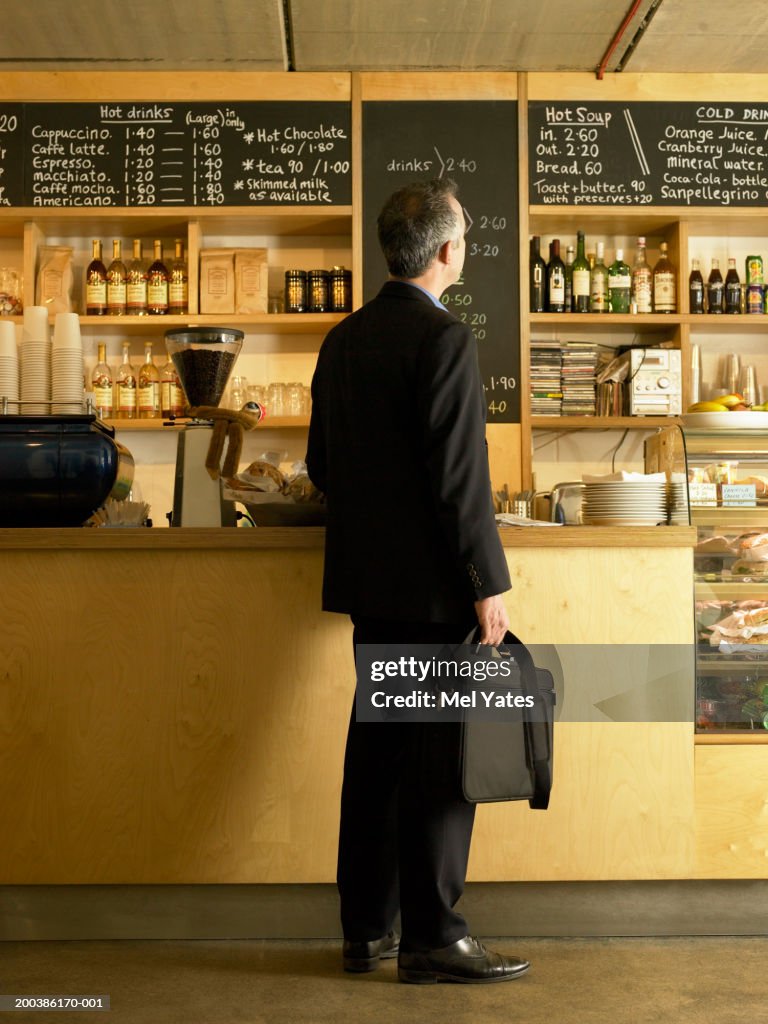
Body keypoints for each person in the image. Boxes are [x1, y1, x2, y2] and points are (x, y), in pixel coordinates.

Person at [305, 177, 529, 985]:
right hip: (437, 595)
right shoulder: (446, 341)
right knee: (441, 763)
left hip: (372, 592)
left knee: (376, 757)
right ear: (446, 252)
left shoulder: (343, 341)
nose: (463, 245)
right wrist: (486, 581)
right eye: (463, 234)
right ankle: (435, 939)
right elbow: (460, 484)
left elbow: (319, 467)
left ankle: (367, 931)